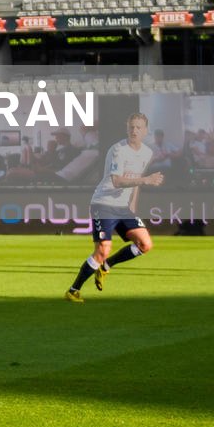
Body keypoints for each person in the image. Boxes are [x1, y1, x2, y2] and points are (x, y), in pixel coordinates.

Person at [65, 112, 162, 301]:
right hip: (104, 204)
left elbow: (135, 182)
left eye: (138, 127)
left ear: (145, 130)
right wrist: (146, 179)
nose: (134, 130)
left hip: (123, 207)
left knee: (145, 244)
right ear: (127, 129)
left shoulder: (147, 152)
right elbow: (117, 181)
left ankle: (106, 266)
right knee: (102, 249)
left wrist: (131, 206)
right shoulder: (119, 150)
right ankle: (73, 290)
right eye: (131, 127)